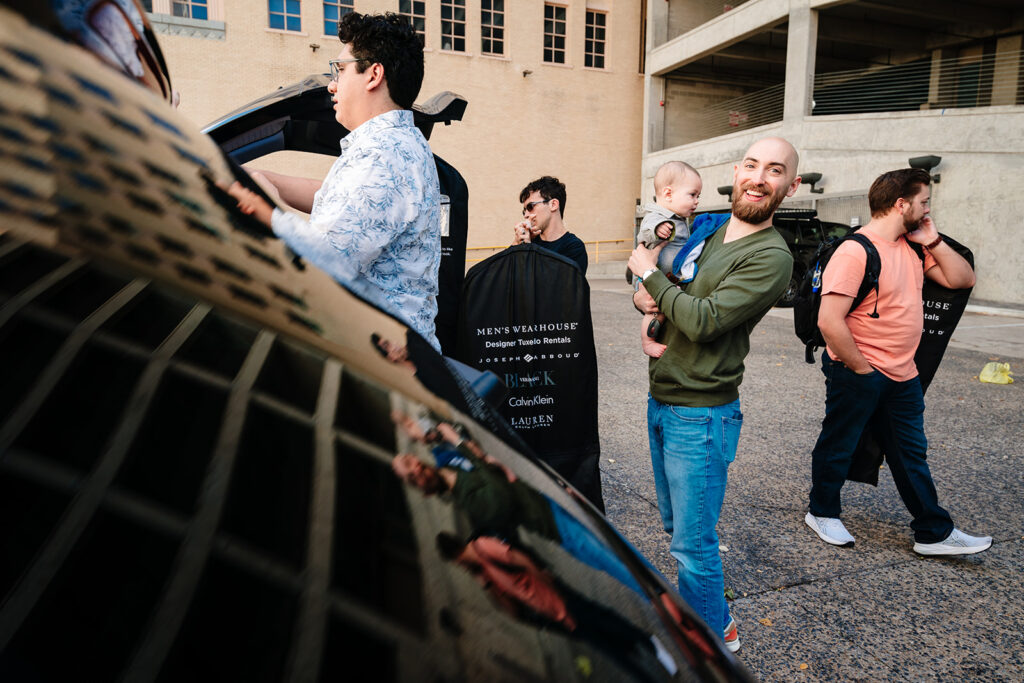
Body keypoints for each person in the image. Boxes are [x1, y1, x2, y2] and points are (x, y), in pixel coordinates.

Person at [627, 136, 801, 653]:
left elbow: (702, 321)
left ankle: (711, 641)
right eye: (751, 165)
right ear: (736, 170)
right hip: (665, 398)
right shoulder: (714, 230)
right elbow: (672, 289)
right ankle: (706, 614)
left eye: (774, 170)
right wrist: (649, 315)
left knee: (693, 543)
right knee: (678, 526)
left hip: (701, 415)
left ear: (788, 188)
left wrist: (649, 279)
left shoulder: (771, 257)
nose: (758, 177)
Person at [227, 12, 442, 350]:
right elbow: (343, 201)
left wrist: (269, 209)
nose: (331, 83)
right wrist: (269, 180)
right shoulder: (398, 145)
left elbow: (320, 267)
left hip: (382, 368)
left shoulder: (383, 155)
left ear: (374, 75)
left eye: (339, 70)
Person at [805, 168, 990, 557]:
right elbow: (829, 321)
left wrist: (934, 239)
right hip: (859, 369)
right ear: (901, 204)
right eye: (924, 202)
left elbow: (963, 279)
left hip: (903, 374)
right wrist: (861, 369)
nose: (927, 210)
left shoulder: (913, 248)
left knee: (910, 453)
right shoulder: (856, 250)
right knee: (839, 443)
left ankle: (933, 532)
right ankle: (822, 511)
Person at [633, 161, 702, 358]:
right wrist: (658, 229)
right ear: (668, 194)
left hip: (666, 277)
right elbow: (645, 234)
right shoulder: (657, 215)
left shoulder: (680, 219)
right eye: (692, 195)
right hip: (652, 277)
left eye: (698, 196)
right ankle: (647, 342)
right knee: (654, 311)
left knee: (664, 309)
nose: (696, 201)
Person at [511, 176, 588, 274]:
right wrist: (515, 245)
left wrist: (529, 251)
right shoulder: (529, 242)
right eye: (524, 210)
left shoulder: (574, 247)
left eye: (530, 207)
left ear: (553, 205)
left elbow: (555, 285)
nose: (526, 215)